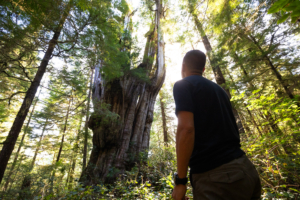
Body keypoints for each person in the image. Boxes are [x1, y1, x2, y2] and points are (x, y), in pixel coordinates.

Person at [171, 50, 261, 200]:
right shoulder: (220, 90)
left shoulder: (183, 85)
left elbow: (186, 129)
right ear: (203, 69)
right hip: (246, 170)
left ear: (183, 66)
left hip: (216, 178)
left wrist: (180, 182)